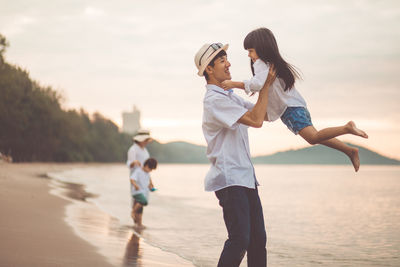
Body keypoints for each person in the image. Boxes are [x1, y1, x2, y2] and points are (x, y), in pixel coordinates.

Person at [221, 27, 368, 172]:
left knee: (313, 138)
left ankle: (346, 128)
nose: (249, 55)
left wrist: (233, 84)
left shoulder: (260, 64)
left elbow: (257, 84)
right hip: (295, 107)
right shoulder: (272, 63)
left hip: (289, 110)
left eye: (250, 51)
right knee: (316, 136)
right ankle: (349, 151)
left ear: (261, 48)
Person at [195, 42, 276, 267]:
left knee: (258, 240)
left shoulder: (229, 95)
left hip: (245, 178)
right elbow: (256, 120)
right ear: (209, 70)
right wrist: (265, 86)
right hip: (230, 179)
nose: (229, 64)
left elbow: (264, 114)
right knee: (240, 240)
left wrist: (269, 84)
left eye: (226, 59)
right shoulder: (215, 100)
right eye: (222, 61)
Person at [126, 129, 154, 224]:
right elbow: (129, 163)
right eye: (146, 140)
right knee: (137, 199)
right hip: (136, 177)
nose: (146, 143)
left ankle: (139, 223)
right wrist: (134, 162)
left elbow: (147, 167)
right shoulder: (133, 149)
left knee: (143, 200)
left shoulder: (145, 151)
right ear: (141, 140)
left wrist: (150, 181)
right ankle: (136, 222)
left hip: (144, 178)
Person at [130, 157, 158, 228]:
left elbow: (149, 183)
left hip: (144, 193)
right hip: (137, 192)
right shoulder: (138, 171)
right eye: (150, 169)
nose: (150, 171)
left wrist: (151, 187)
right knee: (144, 202)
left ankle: (139, 224)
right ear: (146, 165)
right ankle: (133, 212)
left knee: (140, 210)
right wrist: (135, 186)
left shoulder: (147, 173)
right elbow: (132, 179)